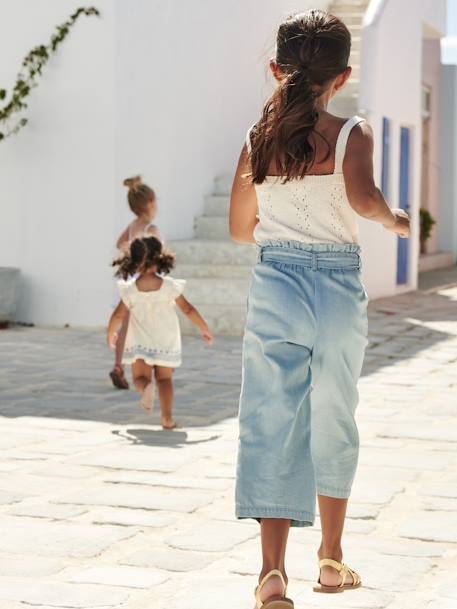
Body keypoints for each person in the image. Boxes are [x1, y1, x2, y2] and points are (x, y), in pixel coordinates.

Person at [229, 9, 410, 608]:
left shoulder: (258, 140)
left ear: (277, 70)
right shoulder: (352, 132)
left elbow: (238, 229)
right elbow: (364, 199)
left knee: (270, 418)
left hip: (277, 286)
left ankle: (272, 574)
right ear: (344, 74)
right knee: (335, 413)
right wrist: (395, 219)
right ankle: (331, 560)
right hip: (335, 291)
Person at [107, 236, 214, 429]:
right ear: (160, 258)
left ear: (134, 260)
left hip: (140, 343)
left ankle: (147, 389)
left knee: (140, 378)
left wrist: (111, 334)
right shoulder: (169, 286)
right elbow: (188, 309)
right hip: (165, 342)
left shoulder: (130, 290)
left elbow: (117, 317)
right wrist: (204, 328)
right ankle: (167, 418)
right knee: (165, 380)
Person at [109, 176, 160, 390]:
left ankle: (118, 366)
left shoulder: (133, 226)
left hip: (130, 280)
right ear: (149, 203)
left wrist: (132, 258)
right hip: (146, 283)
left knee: (126, 324)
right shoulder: (151, 229)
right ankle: (154, 367)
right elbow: (157, 255)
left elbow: (120, 243)